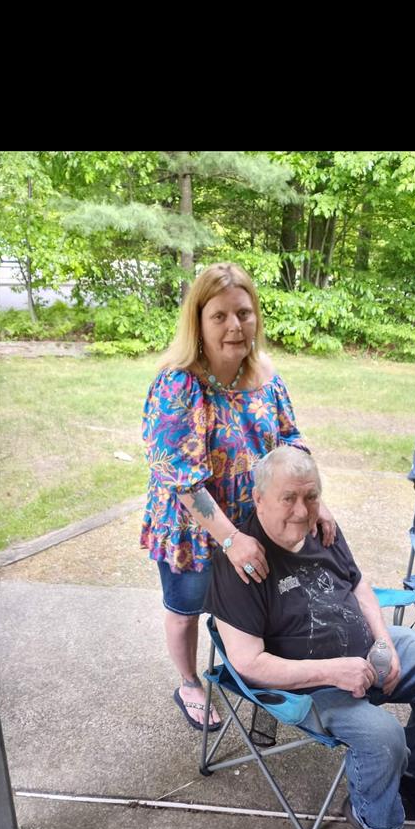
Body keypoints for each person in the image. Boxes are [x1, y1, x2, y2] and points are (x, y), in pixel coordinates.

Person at [204, 446, 415, 829]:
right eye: (288, 498)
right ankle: (375, 819)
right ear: (259, 499)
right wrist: (334, 671)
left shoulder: (322, 528)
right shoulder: (241, 563)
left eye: (311, 497)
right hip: (311, 685)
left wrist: (384, 640)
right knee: (384, 735)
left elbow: (358, 585)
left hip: (363, 648)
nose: (301, 510)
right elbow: (249, 663)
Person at [141, 263, 336, 733]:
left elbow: (291, 442)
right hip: (195, 527)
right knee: (186, 611)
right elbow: (183, 481)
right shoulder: (178, 383)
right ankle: (189, 683)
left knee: (253, 610)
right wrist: (230, 540)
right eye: (220, 316)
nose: (235, 326)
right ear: (198, 322)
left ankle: (256, 676)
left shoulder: (265, 374)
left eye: (244, 313)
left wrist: (316, 503)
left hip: (255, 523)